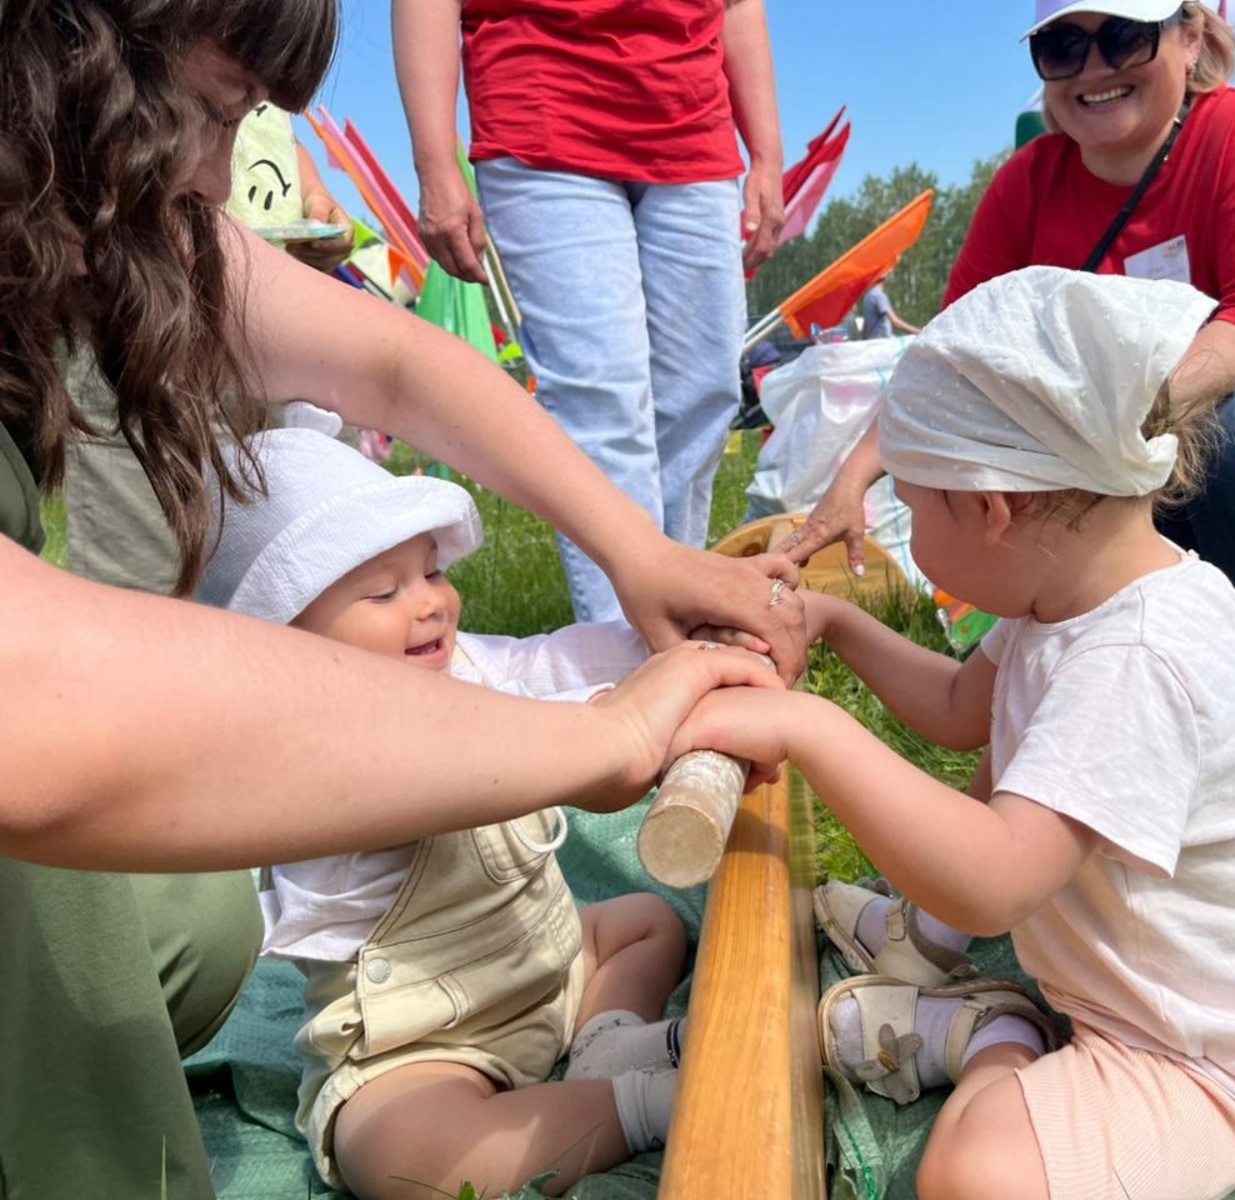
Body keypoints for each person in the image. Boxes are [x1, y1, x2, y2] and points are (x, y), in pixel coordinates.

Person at [0, 4, 796, 1196]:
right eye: (213, 113)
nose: (220, 177)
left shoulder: (94, 220)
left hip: (522, 985)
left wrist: (638, 551)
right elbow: (35, 709)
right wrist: (601, 736)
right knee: (71, 913)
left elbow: (389, 357)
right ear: (62, 57)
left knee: (195, 924)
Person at [677, 268, 1235, 1200]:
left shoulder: (1136, 659)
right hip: (1157, 989)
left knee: (971, 1175)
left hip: (1218, 1057)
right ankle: (939, 965)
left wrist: (806, 726)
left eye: (912, 511)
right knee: (1000, 766)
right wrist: (839, 627)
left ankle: (992, 1035)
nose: (910, 536)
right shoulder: (1068, 592)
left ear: (992, 509)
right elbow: (967, 708)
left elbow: (994, 881)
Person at [781, 0, 1235, 769]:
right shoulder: (1027, 185)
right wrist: (853, 483)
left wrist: (1110, 429)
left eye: (1123, 35)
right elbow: (954, 359)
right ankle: (1117, 678)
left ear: (1190, 35)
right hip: (1127, 438)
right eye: (1063, 46)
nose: (1095, 68)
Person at [201, 408, 695, 1198]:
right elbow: (445, 767)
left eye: (432, 572)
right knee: (394, 1154)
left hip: (543, 965)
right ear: (288, 640)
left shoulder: (457, 664)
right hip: (428, 1041)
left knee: (645, 923)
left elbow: (548, 662)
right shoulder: (307, 758)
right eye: (383, 590)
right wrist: (596, 733)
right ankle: (646, 1104)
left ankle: (604, 1043)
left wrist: (670, 651)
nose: (429, 603)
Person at [395, 0, 785, 624]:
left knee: (702, 393)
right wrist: (434, 160)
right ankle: (620, 651)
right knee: (604, 403)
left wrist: (766, 153)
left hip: (692, 119)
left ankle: (678, 616)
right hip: (543, 107)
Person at [64, 100, 354, 594]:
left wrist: (314, 194)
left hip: (270, 315)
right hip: (140, 312)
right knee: (147, 565)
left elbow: (269, 128)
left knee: (293, 551)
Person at [861, 273, 923, 339]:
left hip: (873, 342)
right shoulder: (879, 296)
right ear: (883, 276)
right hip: (882, 342)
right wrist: (919, 332)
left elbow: (865, 327)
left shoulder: (868, 296)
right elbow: (895, 322)